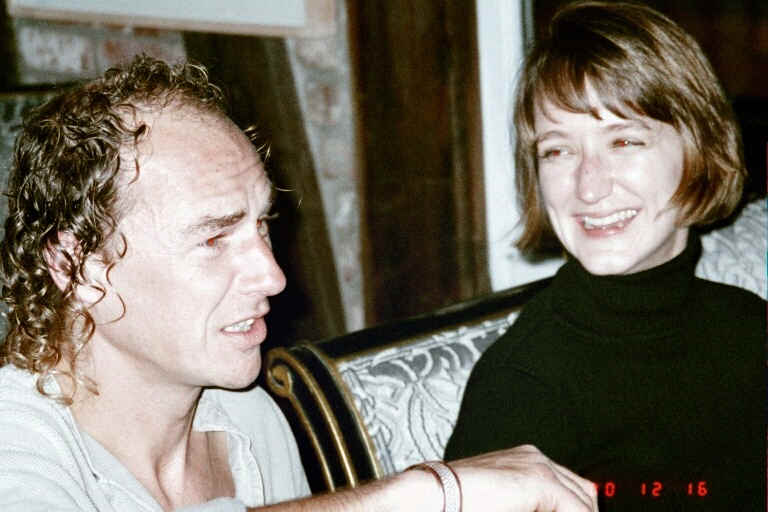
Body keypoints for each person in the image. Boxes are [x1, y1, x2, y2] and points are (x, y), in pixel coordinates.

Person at [0, 55, 598, 511]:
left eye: (261, 225)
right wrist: (430, 491)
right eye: (214, 239)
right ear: (77, 267)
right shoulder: (16, 442)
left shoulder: (248, 417)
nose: (273, 274)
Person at [445, 1, 765, 510]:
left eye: (624, 141)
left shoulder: (748, 326)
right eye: (558, 150)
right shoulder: (524, 385)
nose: (589, 187)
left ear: (698, 149)